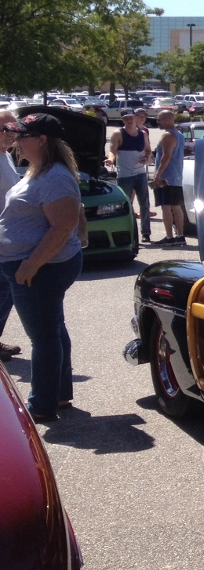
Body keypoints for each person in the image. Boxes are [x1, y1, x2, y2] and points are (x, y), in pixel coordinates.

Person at [0, 114, 83, 420]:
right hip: (34, 266)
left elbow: (62, 227)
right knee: (53, 330)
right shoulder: (41, 171)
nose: (16, 142)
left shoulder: (55, 177)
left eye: (22, 136)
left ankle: (42, 406)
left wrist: (30, 265)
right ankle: (58, 396)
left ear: (42, 140)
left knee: (44, 338)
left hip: (40, 268)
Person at [0, 110, 23, 361]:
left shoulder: (5, 155)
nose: (10, 135)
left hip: (7, 234)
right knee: (4, 290)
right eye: (4, 129)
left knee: (5, 290)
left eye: (13, 130)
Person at [108, 112, 151, 243]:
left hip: (140, 174)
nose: (129, 121)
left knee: (145, 204)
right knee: (125, 205)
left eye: (131, 118)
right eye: (126, 119)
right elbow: (112, 151)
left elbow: (148, 150)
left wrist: (146, 157)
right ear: (122, 120)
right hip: (125, 175)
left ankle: (146, 233)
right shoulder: (118, 133)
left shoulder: (142, 133)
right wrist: (110, 160)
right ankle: (127, 232)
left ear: (135, 118)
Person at [152, 109, 187, 246]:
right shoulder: (179, 135)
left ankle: (169, 237)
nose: (158, 122)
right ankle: (180, 235)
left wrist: (158, 175)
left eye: (159, 119)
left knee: (166, 207)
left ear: (168, 119)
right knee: (176, 207)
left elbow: (166, 156)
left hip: (166, 177)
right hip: (177, 176)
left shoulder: (168, 136)